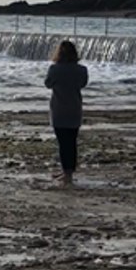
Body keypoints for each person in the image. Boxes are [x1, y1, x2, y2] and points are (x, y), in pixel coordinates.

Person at [45, 40, 88, 186]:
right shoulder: (81, 70)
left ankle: (67, 174)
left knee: (63, 143)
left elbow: (48, 84)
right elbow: (83, 84)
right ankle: (67, 171)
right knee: (72, 142)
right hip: (75, 109)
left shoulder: (54, 69)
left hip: (59, 110)